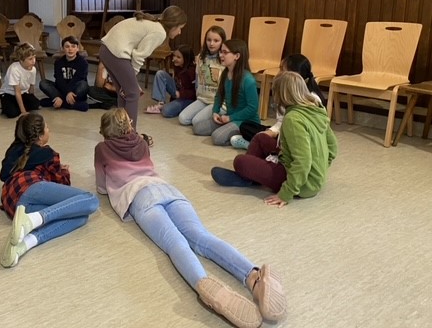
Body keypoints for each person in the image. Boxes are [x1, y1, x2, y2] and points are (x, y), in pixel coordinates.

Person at [94, 108, 286, 328]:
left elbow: (101, 187)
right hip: (167, 190)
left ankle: (206, 287)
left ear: (106, 132)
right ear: (128, 125)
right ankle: (254, 276)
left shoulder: (102, 149)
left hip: (139, 196)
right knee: (201, 236)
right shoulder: (140, 142)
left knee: (175, 243)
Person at [211, 71, 338, 208]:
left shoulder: (293, 119)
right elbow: (333, 147)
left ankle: (247, 177)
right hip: (311, 178)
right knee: (261, 137)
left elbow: (303, 161)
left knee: (240, 161)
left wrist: (286, 193)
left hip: (303, 184)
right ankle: (248, 177)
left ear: (281, 94)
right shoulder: (317, 109)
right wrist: (320, 170)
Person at [0, 112, 99, 268]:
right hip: (30, 186)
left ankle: (24, 244)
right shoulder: (47, 153)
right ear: (40, 136)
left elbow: (4, 174)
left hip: (12, 203)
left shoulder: (13, 149)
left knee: (80, 217)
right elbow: (62, 184)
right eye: (46, 127)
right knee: (91, 200)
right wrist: (64, 171)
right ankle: (34, 220)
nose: (49, 129)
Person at [99, 5, 187, 129]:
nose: (179, 32)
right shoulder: (160, 32)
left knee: (123, 93)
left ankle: (120, 131)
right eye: (180, 28)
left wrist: (130, 79)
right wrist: (133, 77)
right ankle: (130, 134)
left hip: (106, 49)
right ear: (174, 26)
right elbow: (139, 55)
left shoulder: (154, 24)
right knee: (133, 93)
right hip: (116, 53)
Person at [230, 54, 326, 150]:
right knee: (246, 126)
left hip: (296, 140)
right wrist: (271, 131)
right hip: (283, 131)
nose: (278, 73)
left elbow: (300, 130)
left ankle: (257, 146)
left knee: (264, 140)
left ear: (294, 75)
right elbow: (281, 121)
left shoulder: (312, 99)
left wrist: (272, 133)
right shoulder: (286, 92)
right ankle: (258, 144)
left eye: (282, 70)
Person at [193, 39, 260, 146]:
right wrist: (215, 112)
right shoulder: (225, 73)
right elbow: (219, 95)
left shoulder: (248, 80)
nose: (221, 55)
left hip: (246, 121)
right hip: (230, 116)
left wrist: (230, 118)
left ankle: (244, 138)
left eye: (225, 52)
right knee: (198, 128)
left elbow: (252, 108)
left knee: (217, 137)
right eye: (221, 52)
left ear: (237, 56)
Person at [178, 26, 225, 126]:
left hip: (216, 101)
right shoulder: (200, 57)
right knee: (183, 118)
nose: (211, 43)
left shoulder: (224, 59)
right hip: (202, 99)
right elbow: (197, 79)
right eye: (209, 40)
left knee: (196, 121)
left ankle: (219, 114)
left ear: (222, 42)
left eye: (216, 41)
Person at [39, 35, 89, 112]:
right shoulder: (58, 62)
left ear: (77, 48)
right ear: (63, 48)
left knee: (83, 85)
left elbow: (77, 79)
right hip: (61, 88)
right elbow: (59, 80)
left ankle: (58, 100)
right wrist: (67, 93)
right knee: (43, 83)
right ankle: (71, 104)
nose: (70, 49)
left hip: (75, 90)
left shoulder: (83, 63)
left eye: (73, 46)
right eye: (67, 46)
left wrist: (69, 92)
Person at [145, 44, 196, 118]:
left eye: (178, 57)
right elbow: (176, 82)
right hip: (178, 92)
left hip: (188, 98)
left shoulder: (192, 71)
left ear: (186, 58)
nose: (174, 59)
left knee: (166, 111)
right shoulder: (177, 66)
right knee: (160, 74)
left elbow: (195, 92)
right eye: (174, 56)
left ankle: (183, 109)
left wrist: (181, 94)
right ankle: (161, 103)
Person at [0, 42, 40, 118]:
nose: (33, 61)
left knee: (35, 104)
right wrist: (23, 111)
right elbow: (17, 91)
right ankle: (7, 107)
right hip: (9, 94)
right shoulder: (14, 69)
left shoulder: (33, 69)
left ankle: (16, 105)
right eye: (30, 59)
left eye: (34, 57)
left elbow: (31, 86)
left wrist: (31, 98)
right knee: (12, 113)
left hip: (23, 93)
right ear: (21, 60)